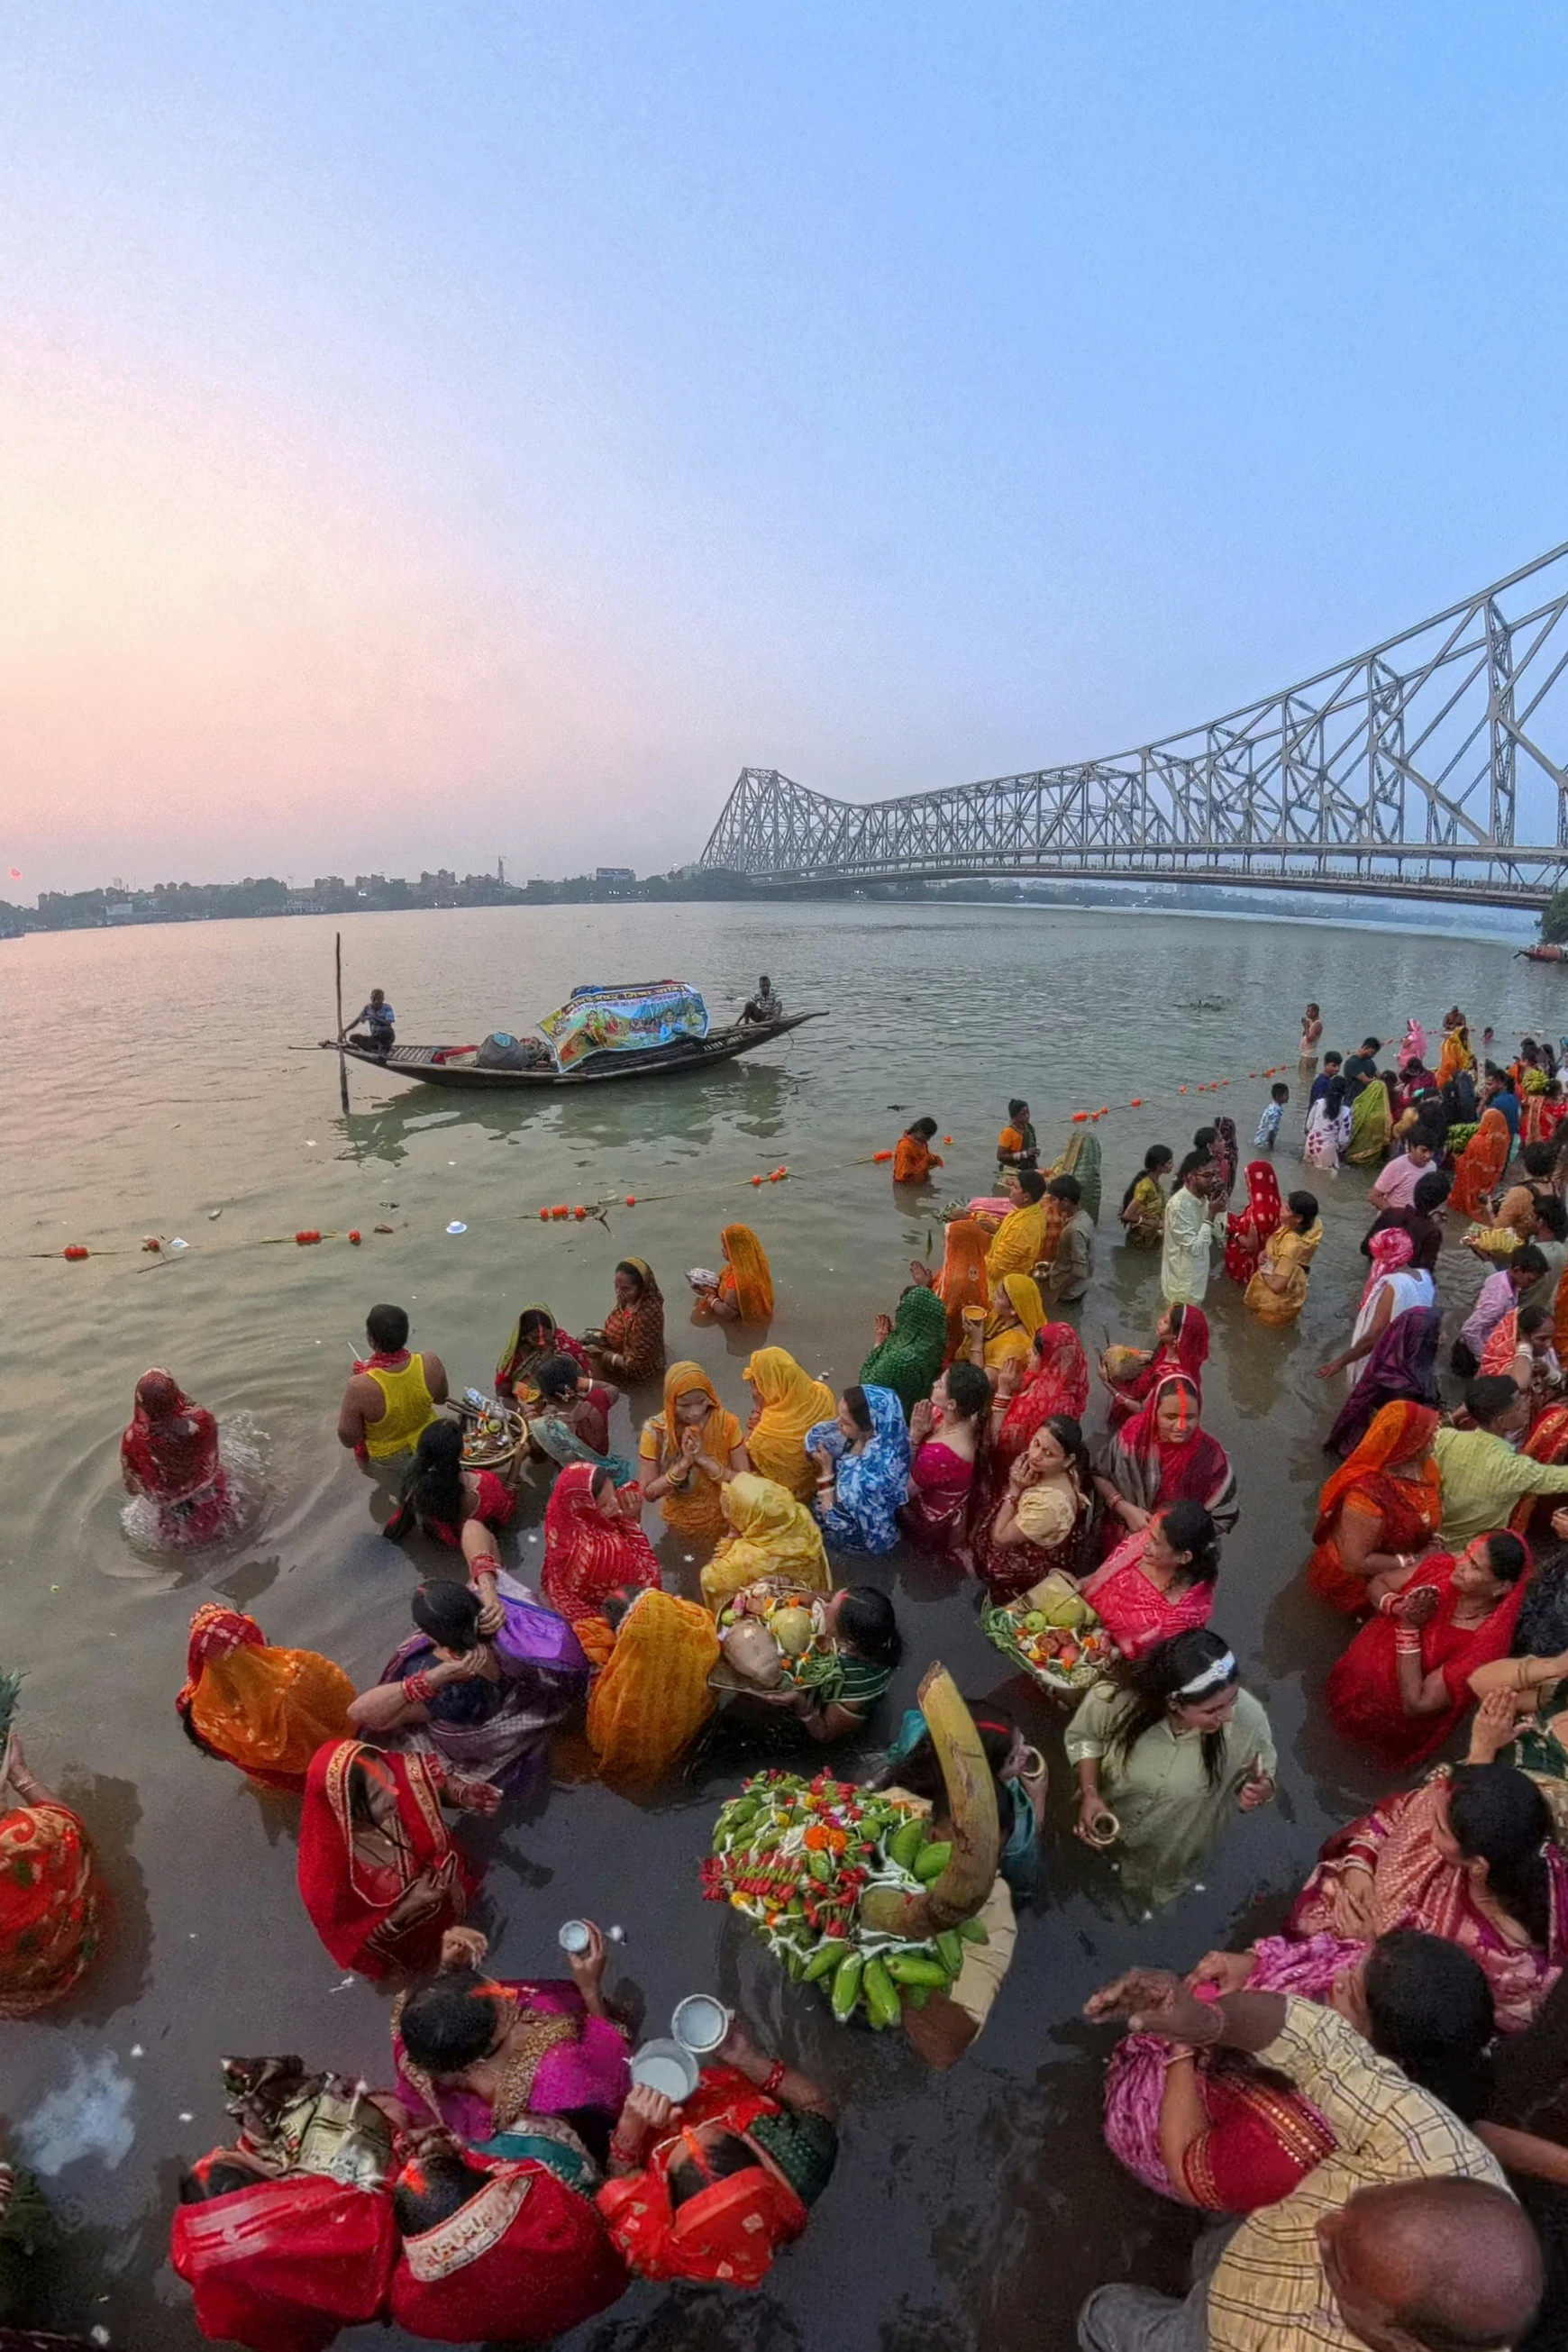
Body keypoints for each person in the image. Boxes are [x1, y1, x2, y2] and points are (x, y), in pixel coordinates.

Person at [1078, 1967, 1536, 2352]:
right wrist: (1203, 2022)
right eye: (1354, 2203)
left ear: (1396, 2338)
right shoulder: (1427, 2148)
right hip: (1249, 2251)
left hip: (1213, 2337)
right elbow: (1321, 2046)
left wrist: (1180, 2056)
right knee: (1215, 2248)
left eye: (1339, 2260)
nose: (1321, 2225)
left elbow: (1187, 2169)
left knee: (1103, 2314)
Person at [1102, 1929, 1496, 2218]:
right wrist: (1250, 1964)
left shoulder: (1298, 2146)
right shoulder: (1380, 1986)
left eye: (1352, 1995)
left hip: (1180, 2117)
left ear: (1385, 2054)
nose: (1339, 1979)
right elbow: (1324, 1960)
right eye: (1359, 1964)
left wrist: (1181, 2045)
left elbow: (1186, 2168)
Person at [1289, 1762, 1568, 2035]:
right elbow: (1394, 1814)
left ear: (1478, 1866)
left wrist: (1370, 1952)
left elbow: (1439, 2026)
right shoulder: (1452, 1810)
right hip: (1346, 1910)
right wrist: (1358, 1866)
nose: (1428, 1814)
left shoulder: (1510, 1967)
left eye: (1440, 1828)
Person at [172, 2064, 399, 2352]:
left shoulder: (197, 2235)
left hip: (286, 2315)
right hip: (368, 2276)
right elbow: (383, 2210)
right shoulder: (327, 2206)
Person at [597, 2019, 837, 2284]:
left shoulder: (658, 2239)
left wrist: (630, 2128)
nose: (686, 2127)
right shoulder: (800, 2163)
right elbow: (816, 2103)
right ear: (749, 2145)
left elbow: (616, 2189)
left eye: (674, 2146)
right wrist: (748, 2059)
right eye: (713, 2128)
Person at [1067, 1631, 1275, 1906]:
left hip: (1166, 1856)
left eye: (1233, 1700)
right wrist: (1090, 1791)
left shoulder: (1250, 1720)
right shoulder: (1113, 1699)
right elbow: (1085, 1739)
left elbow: (1265, 1770)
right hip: (1098, 1825)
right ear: (1174, 1703)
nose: (1228, 1716)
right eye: (1212, 1711)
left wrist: (1263, 1789)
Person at [393, 1921, 631, 2147]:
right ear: (494, 2038)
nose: (506, 1995)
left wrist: (448, 1975)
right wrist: (591, 1990)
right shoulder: (560, 2075)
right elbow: (617, 2065)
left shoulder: (422, 2047)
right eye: (500, 2003)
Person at [349, 1577, 589, 1797]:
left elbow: (360, 1714)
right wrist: (489, 1590)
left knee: (399, 1725)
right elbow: (475, 1531)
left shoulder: (440, 1681)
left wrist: (429, 1679)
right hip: (528, 1697)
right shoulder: (507, 1625)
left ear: (431, 1636)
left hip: (483, 1741)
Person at [1324, 1532, 1530, 1771]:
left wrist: (1408, 1628)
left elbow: (1417, 1704)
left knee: (1349, 1764)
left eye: (1474, 1566)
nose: (1461, 1564)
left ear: (1500, 1587)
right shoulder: (1442, 1568)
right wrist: (1396, 1604)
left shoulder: (1483, 1650)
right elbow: (1379, 1584)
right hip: (1351, 1682)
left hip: (1385, 1726)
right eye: (1466, 1553)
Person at [387, 2144, 626, 2343]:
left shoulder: (414, 2307)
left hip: (533, 2333)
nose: (408, 2164)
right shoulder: (557, 2215)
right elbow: (528, 2169)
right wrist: (462, 2152)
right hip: (613, 2295)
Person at [296, 1740, 485, 1981]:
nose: (394, 1792)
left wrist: (464, 1795)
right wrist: (409, 1907)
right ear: (346, 1811)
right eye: (377, 1794)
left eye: (389, 1778)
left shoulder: (396, 1786)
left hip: (456, 1890)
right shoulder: (325, 1879)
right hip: (414, 1940)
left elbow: (435, 1788)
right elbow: (355, 1942)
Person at [177, 1603, 356, 1791]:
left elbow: (220, 1752)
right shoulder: (302, 1667)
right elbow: (344, 1699)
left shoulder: (205, 1717)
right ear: (246, 1634)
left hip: (295, 1785)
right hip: (348, 1757)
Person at [878, 1704, 1048, 1897]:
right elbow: (1022, 1874)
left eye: (1021, 1742)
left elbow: (913, 1717)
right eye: (1012, 1759)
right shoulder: (1008, 1822)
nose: (1025, 1753)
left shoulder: (921, 1739)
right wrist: (1038, 1797)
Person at [0, 1715, 105, 2019]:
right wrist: (22, 1776)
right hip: (74, 1956)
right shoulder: (28, 1835)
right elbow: (74, 1831)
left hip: (15, 1993)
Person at [1308, 1402, 1443, 1614]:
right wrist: (1416, 1560)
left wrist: (1429, 1541)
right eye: (1428, 1436)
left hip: (1399, 1572)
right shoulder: (1364, 1496)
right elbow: (1355, 1562)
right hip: (1354, 1585)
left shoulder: (1425, 1468)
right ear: (1410, 1444)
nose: (1435, 1441)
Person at [578, 1583, 720, 1783]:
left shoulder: (620, 1712)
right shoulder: (698, 1630)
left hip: (644, 1774)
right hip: (696, 1731)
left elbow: (602, 1742)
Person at [971, 1414, 1099, 1599]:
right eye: (1036, 1443)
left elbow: (1000, 1538)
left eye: (1049, 1454)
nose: (1036, 1456)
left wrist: (1015, 1490)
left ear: (1067, 1460)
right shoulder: (1056, 1469)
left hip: (1026, 1565)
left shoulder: (1048, 1505)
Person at [1078, 1500, 1223, 1661]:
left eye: (1155, 1542)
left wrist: (1110, 1651)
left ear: (1184, 1557)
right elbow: (1097, 1579)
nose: (1145, 1543)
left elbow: (1146, 1664)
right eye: (1149, 1533)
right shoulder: (1140, 1546)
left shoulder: (1179, 1618)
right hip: (1077, 1625)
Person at [1096, 1373, 1239, 1538]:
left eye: (1190, 1417)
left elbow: (1224, 1515)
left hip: (1177, 1548)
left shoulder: (1210, 1456)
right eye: (1171, 1417)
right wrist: (1124, 1508)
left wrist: (1175, 1535)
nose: (1181, 1426)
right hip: (1126, 1532)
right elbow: (1099, 1474)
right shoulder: (1131, 1439)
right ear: (1153, 1412)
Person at [1433, 1376, 1568, 1546]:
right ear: (1502, 1421)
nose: (1527, 1405)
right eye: (1520, 1404)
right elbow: (1561, 1478)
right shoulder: (1513, 1468)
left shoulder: (1445, 1438)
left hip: (1435, 1536)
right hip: (1472, 1550)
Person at [121, 1369, 237, 1547]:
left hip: (178, 1520)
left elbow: (132, 1488)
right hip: (218, 1497)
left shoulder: (132, 1439)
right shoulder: (202, 1421)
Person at [1317, 1226, 1436, 1392]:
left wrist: (1339, 1363)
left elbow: (1373, 1337)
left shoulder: (1393, 1287)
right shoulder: (1423, 1277)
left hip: (1387, 1360)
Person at [541, 1463, 661, 1623]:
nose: (615, 1503)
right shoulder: (604, 1554)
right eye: (604, 1504)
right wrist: (631, 1521)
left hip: (562, 1594)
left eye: (613, 1493)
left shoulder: (562, 1513)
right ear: (586, 1509)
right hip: (595, 1619)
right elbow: (649, 1582)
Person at [639, 1362, 748, 1536]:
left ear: (710, 1397)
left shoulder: (727, 1424)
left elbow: (746, 1484)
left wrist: (704, 1461)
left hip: (724, 1521)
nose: (695, 1412)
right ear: (671, 1401)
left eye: (701, 1402)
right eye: (684, 1405)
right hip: (679, 1524)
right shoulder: (654, 1431)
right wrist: (683, 1464)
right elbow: (648, 1494)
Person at [899, 1363, 992, 1569]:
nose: (934, 1383)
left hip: (931, 1513)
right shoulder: (969, 1414)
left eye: (940, 1384)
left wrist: (914, 1436)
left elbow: (902, 1493)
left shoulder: (942, 1454)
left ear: (951, 1404)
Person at [383, 1418, 519, 1556]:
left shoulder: (414, 1481)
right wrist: (517, 1463)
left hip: (440, 1538)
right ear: (461, 1453)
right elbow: (506, 1512)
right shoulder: (484, 1483)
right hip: (472, 1542)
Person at [1324, 1304, 1443, 1456]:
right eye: (1436, 1334)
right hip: (1379, 1454)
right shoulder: (1403, 1387)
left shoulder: (1389, 1364)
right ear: (1418, 1338)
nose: (1443, 1338)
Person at [805, 1384, 911, 1555]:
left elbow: (831, 1515)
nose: (837, 1424)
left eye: (845, 1423)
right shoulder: (893, 1431)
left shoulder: (866, 1481)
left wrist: (826, 1471)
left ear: (868, 1428)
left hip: (859, 1534)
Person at [701, 1472, 831, 1608]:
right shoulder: (797, 1514)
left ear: (755, 1520)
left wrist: (731, 1536)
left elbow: (710, 1580)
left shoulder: (749, 1560)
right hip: (812, 1588)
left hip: (780, 1609)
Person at [337, 1306, 447, 1463]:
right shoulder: (429, 1362)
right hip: (433, 1440)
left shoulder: (359, 1385)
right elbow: (441, 1399)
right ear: (406, 1333)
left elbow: (349, 1439)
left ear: (371, 1340)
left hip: (389, 1460)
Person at [989, 1320, 1091, 1467]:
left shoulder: (1052, 1405)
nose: (1028, 1353)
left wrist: (1003, 1391)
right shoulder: (1070, 1373)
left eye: (1035, 1354)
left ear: (1049, 1360)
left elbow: (1000, 1443)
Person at [741, 1346, 836, 1498]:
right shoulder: (823, 1394)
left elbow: (743, 1464)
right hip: (827, 1477)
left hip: (790, 1498)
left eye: (755, 1383)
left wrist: (758, 1409)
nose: (753, 1389)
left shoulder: (764, 1437)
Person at [1099, 1301, 1209, 1431]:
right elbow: (1154, 1359)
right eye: (1163, 1317)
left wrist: (1107, 1384)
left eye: (1166, 1322)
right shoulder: (1172, 1349)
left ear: (1177, 1336)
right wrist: (1132, 1354)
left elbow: (1142, 1409)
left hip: (1145, 1419)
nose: (1160, 1321)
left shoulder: (1168, 1378)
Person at [522, 1354, 633, 1481]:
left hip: (576, 1480)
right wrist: (584, 1383)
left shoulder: (545, 1426)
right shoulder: (596, 1401)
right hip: (606, 1471)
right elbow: (613, 1390)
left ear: (545, 1394)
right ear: (577, 1382)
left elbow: (538, 1455)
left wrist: (530, 1416)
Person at [1455, 1245, 1549, 1378]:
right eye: (1530, 1280)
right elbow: (1469, 1330)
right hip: (1474, 1352)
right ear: (1517, 1270)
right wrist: (1485, 1360)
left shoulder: (1503, 1279)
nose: (1531, 1285)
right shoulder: (1498, 1301)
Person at [859, 1285, 950, 1418]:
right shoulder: (935, 1345)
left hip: (886, 1420)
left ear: (909, 1314)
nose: (897, 1310)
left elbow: (866, 1386)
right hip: (913, 1413)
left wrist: (879, 1344)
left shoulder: (900, 1359)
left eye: (902, 1308)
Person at [1243, 1189, 1322, 1325]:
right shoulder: (1309, 1227)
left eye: (1286, 1208)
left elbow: (1277, 1286)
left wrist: (1264, 1269)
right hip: (1291, 1279)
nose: (1281, 1209)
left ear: (1298, 1218)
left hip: (1275, 1304)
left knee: (1260, 1328)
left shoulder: (1291, 1245)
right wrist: (1267, 1252)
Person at [581, 1258, 666, 1384]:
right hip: (620, 1350)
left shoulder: (647, 1315)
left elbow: (638, 1363)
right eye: (616, 1286)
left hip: (638, 1369)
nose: (618, 1292)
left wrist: (605, 1356)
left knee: (590, 1363)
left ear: (641, 1288)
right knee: (583, 1341)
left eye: (625, 1289)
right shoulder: (628, 1298)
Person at [1363, 1162, 1448, 1274]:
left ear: (1415, 1191)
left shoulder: (1391, 1214)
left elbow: (1365, 1248)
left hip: (1376, 1276)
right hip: (1403, 1283)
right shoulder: (1432, 1232)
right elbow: (1425, 1271)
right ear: (1440, 1203)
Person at [1161, 1153, 1224, 1306]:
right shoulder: (1179, 1206)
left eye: (1215, 1174)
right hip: (1182, 1290)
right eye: (1207, 1175)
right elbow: (1196, 1249)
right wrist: (1211, 1215)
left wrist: (1219, 1210)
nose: (1214, 1180)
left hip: (1196, 1283)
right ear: (1190, 1177)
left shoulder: (1203, 1199)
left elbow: (1219, 1236)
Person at [495, 1303, 591, 1401]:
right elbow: (503, 1390)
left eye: (545, 1336)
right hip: (528, 1400)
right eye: (535, 1338)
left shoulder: (566, 1346)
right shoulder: (516, 1355)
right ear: (524, 1336)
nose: (542, 1342)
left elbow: (585, 1377)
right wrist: (516, 1388)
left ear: (552, 1329)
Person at [691, 1223, 774, 1326]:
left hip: (742, 1326)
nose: (722, 1250)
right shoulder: (758, 1265)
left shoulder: (737, 1282)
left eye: (726, 1248)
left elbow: (727, 1313)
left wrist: (711, 1298)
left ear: (736, 1251)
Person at [971, 1270, 1046, 1381]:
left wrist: (976, 1342)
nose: (993, 1298)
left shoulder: (1016, 1345)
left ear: (1013, 1309)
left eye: (999, 1296)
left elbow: (983, 1381)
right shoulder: (1003, 1317)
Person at [980, 1167, 1052, 1284]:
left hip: (1003, 1286)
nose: (1010, 1190)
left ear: (1026, 1197)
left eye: (1015, 1187)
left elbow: (996, 1270)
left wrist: (972, 1254)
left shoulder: (1022, 1229)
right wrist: (996, 1230)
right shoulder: (1030, 1211)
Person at [1223, 1160, 1282, 1284]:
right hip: (1268, 1255)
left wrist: (1235, 1233)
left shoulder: (1259, 1213)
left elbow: (1251, 1245)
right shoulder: (1275, 1202)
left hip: (1251, 1262)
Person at [1451, 1102, 1514, 1217]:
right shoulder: (1504, 1138)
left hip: (1475, 1175)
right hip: (1491, 1177)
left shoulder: (1477, 1141)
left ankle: (1468, 1207)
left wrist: (1457, 1158)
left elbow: (1467, 1160)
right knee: (1481, 1195)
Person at [1043, 1174, 1094, 1308]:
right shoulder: (1085, 1218)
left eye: (1054, 1200)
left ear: (1065, 1202)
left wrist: (1056, 1293)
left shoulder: (1074, 1230)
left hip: (1068, 1294)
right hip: (1078, 1287)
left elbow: (1079, 1271)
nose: (1051, 1203)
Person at [1369, 1128, 1441, 1215]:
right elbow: (1374, 1196)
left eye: (1431, 1151)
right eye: (1424, 1150)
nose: (1428, 1156)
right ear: (1411, 1147)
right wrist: (1394, 1216)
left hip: (1416, 1220)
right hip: (1394, 1220)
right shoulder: (1396, 1166)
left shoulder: (1432, 1167)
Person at [1118, 1144, 1172, 1248]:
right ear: (1159, 1166)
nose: (1172, 1166)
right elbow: (1127, 1215)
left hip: (1151, 1235)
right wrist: (1155, 1223)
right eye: (1169, 1163)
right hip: (1141, 1238)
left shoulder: (1154, 1181)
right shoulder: (1146, 1186)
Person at [1345, 1066, 1394, 1163]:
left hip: (1351, 1150)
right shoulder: (1382, 1115)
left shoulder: (1358, 1105)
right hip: (1370, 1155)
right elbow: (1385, 1137)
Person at [892, 1117, 944, 1185]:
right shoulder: (905, 1147)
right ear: (920, 1131)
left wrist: (933, 1159)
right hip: (907, 1187)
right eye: (928, 1137)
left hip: (921, 1180)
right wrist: (926, 1162)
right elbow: (901, 1176)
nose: (928, 1140)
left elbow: (923, 1156)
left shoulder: (921, 1142)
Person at [343, 986, 395, 1053]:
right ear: (371, 999)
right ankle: (377, 1046)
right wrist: (344, 1031)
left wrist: (374, 1018)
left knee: (388, 1032)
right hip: (375, 1037)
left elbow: (388, 1023)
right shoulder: (368, 1008)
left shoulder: (387, 1008)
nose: (376, 1002)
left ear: (382, 999)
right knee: (353, 1038)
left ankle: (384, 1046)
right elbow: (357, 1021)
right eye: (374, 999)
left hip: (385, 1035)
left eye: (378, 999)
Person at [996, 1098, 1037, 1171]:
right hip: (1012, 1168)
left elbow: (1032, 1146)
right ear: (1014, 1117)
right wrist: (1024, 1154)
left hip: (1028, 1167)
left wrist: (1034, 1152)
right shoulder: (1008, 1132)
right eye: (1023, 1113)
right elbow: (1000, 1156)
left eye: (1028, 1112)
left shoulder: (1030, 1128)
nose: (1027, 1115)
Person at [1343, 1035, 1383, 1100]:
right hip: (1353, 1100)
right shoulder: (1352, 1062)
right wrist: (1377, 1080)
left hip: (1366, 1099)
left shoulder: (1370, 1062)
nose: (1373, 1056)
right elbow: (1365, 1081)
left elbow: (1379, 1075)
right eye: (1372, 1053)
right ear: (1366, 1047)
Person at [1253, 1080, 1290, 1151]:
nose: (1288, 1097)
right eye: (1286, 1095)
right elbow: (1271, 1129)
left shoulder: (1271, 1107)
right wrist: (1271, 1145)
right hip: (1264, 1142)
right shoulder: (1276, 1112)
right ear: (1278, 1096)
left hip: (1259, 1139)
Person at [1299, 1002, 1323, 1068]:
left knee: (1306, 1075)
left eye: (1309, 1011)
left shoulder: (1317, 1024)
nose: (1307, 1013)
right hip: (1305, 1054)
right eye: (1307, 1011)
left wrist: (1306, 1027)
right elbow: (1304, 1035)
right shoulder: (1311, 1022)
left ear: (1315, 1012)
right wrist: (1306, 1027)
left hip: (1310, 1056)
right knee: (1302, 1075)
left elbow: (1309, 1039)